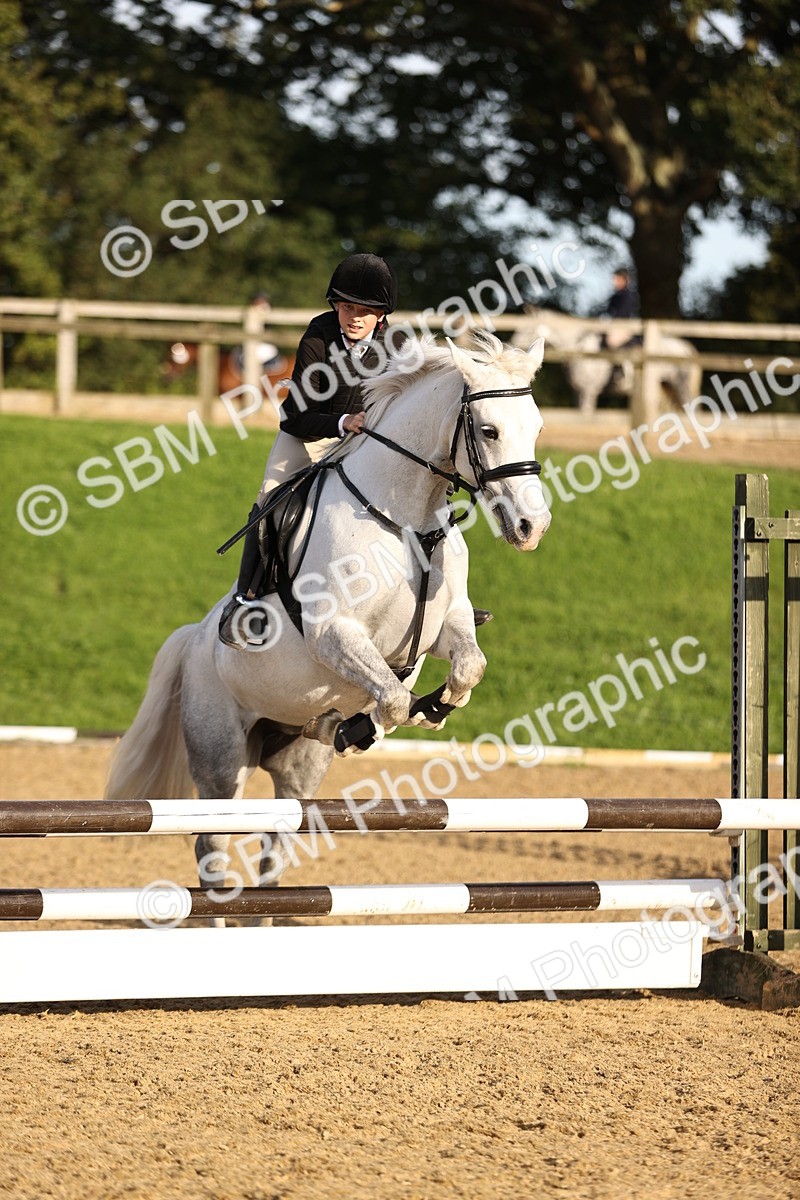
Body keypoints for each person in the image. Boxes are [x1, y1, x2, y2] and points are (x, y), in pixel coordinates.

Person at [219, 251, 491, 648]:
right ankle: (247, 601)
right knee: (270, 503)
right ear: (336, 305)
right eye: (347, 307)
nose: (354, 317)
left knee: (433, 500)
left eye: (366, 310)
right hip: (312, 434)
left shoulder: (398, 345)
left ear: (381, 313)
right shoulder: (318, 335)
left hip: (370, 441)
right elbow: (293, 416)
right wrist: (342, 423)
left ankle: (453, 602)